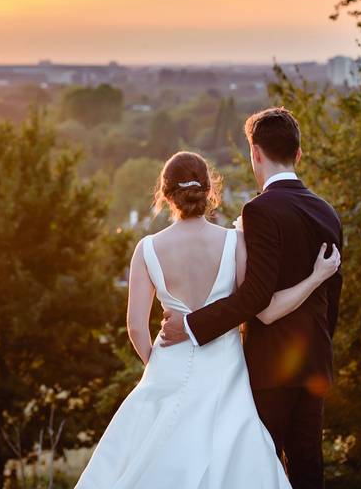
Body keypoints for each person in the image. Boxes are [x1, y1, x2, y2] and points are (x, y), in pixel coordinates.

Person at [74, 147, 340, 489]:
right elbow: (260, 306)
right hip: (225, 367)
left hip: (169, 362)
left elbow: (136, 326)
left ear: (165, 194)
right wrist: (317, 277)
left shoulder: (147, 249)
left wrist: (155, 362)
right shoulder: (235, 242)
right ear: (209, 191)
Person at [158, 108, 343, 488]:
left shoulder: (259, 210)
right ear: (299, 154)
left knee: (261, 468)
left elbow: (256, 296)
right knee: (309, 467)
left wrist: (191, 326)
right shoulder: (328, 213)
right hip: (314, 364)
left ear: (255, 153)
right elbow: (331, 299)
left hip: (269, 367)